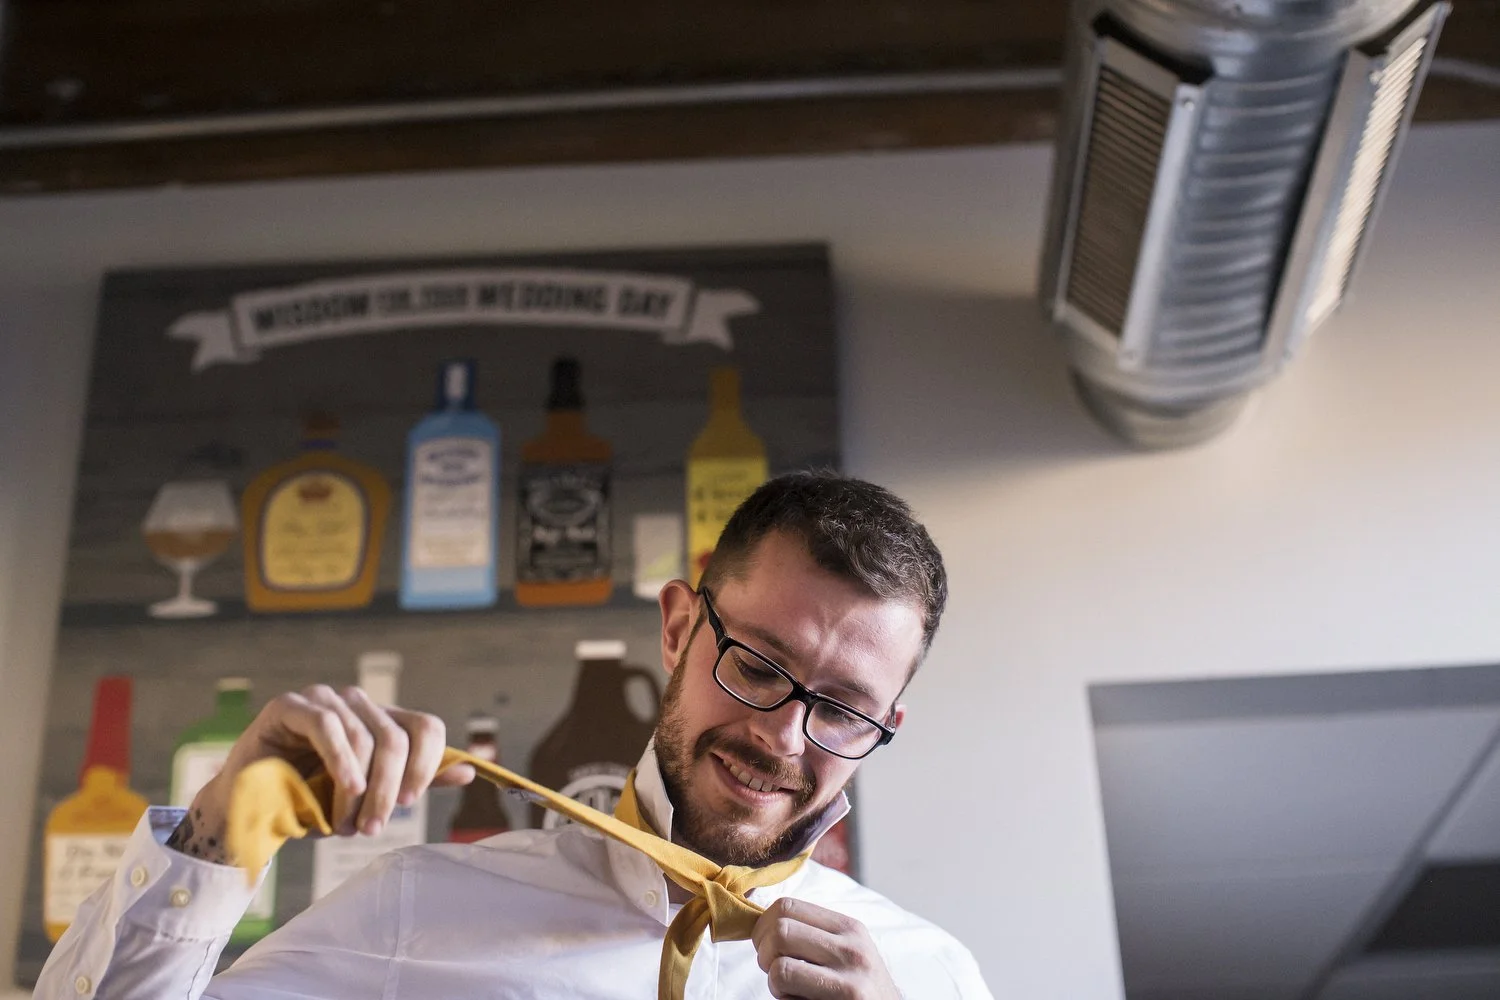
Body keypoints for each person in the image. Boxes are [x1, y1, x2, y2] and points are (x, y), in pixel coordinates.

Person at [37, 471, 992, 999]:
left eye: (842, 707)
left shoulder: (935, 977)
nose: (783, 736)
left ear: (887, 724)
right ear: (677, 628)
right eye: (755, 662)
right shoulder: (415, 909)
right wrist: (219, 831)